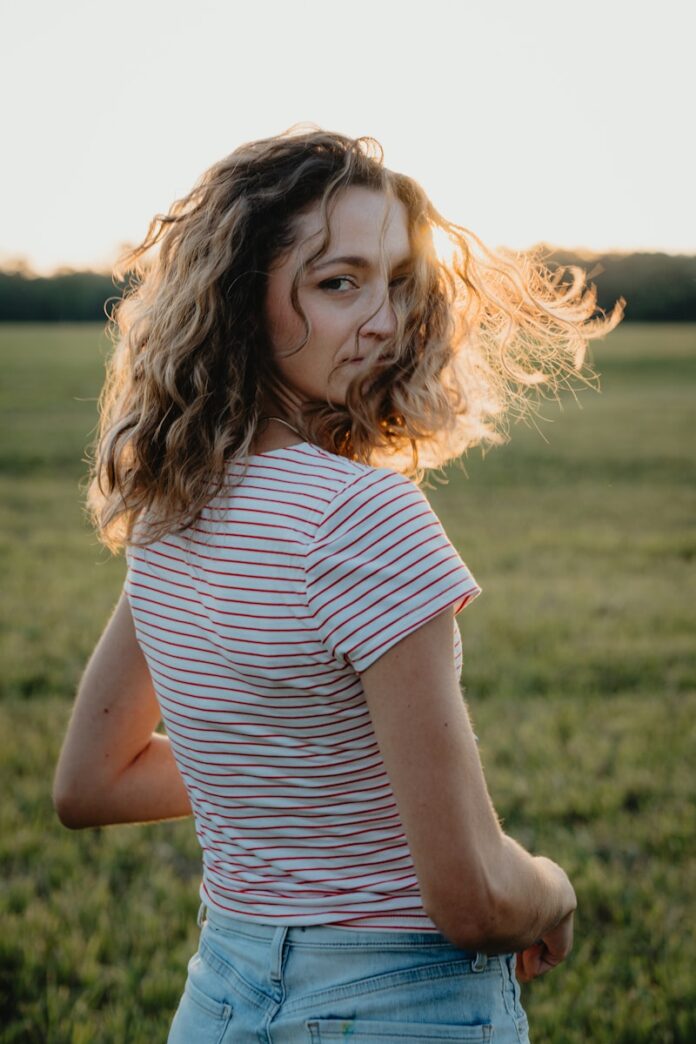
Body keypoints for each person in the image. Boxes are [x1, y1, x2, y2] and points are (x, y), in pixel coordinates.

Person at [52, 126, 624, 1042]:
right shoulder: (365, 516)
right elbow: (473, 902)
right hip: (403, 1006)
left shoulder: (168, 504)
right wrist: (552, 886)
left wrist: (293, 774)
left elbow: (93, 780)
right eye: (337, 282)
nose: (385, 323)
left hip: (220, 1001)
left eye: (398, 283)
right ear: (242, 303)